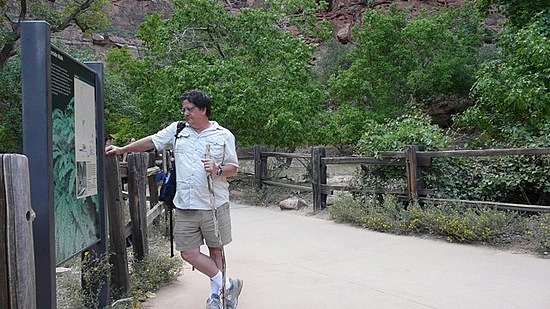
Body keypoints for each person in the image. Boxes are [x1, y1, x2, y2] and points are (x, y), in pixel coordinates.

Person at [105, 90, 243, 309]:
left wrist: (217, 170)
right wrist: (123, 149)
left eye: (190, 109)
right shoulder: (177, 130)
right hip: (185, 204)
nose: (185, 113)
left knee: (216, 250)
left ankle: (216, 296)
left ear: (203, 110)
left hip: (213, 204)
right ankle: (228, 284)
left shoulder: (223, 135)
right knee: (188, 253)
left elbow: (233, 168)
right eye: (184, 109)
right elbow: (151, 141)